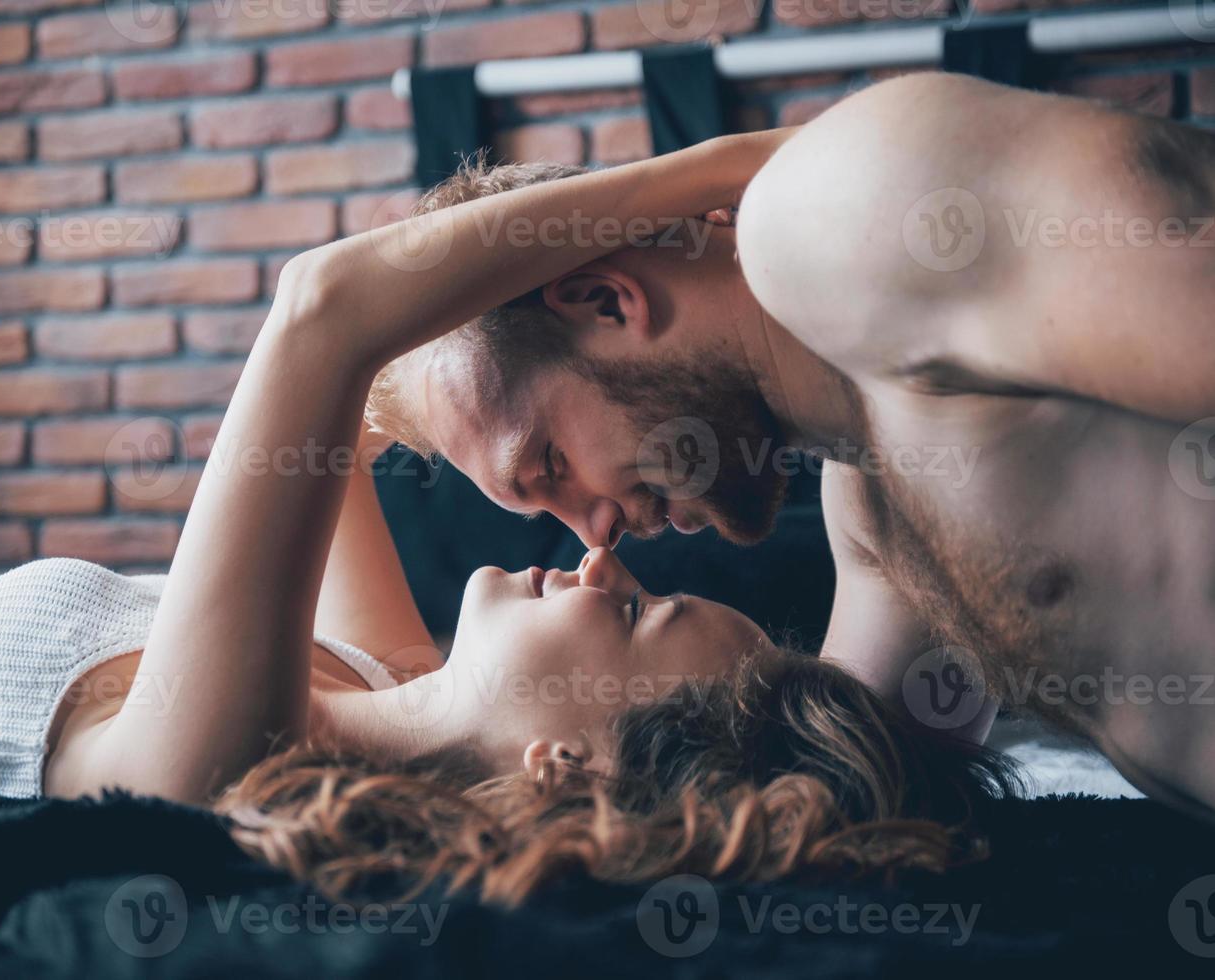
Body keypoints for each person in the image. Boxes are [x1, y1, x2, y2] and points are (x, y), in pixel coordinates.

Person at [0, 135, 1015, 903]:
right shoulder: (378, 665)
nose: (597, 548)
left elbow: (324, 310)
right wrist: (497, 368)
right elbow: (346, 409)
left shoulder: (223, 760)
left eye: (626, 611)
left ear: (566, 770)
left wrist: (735, 173)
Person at [364, 72, 1215, 818]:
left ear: (602, 301)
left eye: (549, 465)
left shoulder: (831, 206)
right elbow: (856, 784)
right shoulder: (876, 511)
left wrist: (328, 319)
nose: (594, 536)